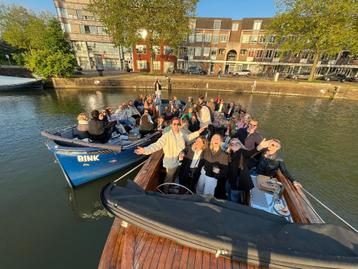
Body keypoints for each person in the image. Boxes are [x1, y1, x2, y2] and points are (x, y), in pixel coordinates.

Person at [135, 118, 206, 192]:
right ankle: (165, 191)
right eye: (174, 124)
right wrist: (145, 150)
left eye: (178, 124)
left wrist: (198, 132)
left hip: (179, 161)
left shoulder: (181, 134)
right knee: (169, 178)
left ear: (180, 125)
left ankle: (171, 186)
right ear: (171, 125)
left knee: (174, 176)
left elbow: (188, 138)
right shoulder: (167, 136)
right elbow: (157, 145)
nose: (176, 126)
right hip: (171, 162)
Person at [227, 138, 270, 204]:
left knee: (234, 199)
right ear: (229, 145)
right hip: (231, 180)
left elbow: (251, 153)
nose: (234, 145)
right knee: (229, 194)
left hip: (238, 182)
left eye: (237, 143)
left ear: (240, 145)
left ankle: (234, 210)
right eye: (232, 144)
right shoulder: (229, 153)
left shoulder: (242, 152)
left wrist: (260, 146)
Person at [196, 134, 228, 198]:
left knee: (207, 195)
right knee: (199, 190)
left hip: (212, 177)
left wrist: (219, 172)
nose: (215, 140)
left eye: (217, 139)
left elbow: (225, 170)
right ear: (211, 140)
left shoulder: (224, 154)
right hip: (203, 173)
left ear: (221, 141)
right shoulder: (207, 150)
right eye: (214, 138)